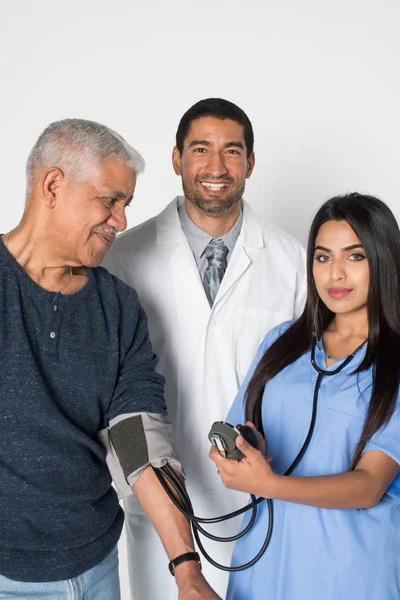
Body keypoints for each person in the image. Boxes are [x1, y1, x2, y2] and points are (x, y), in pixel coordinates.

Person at [0, 118, 220, 600]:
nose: (121, 221)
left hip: (97, 566)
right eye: (110, 200)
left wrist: (186, 569)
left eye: (126, 205)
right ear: (53, 185)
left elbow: (135, 441)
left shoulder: (116, 307)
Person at [103, 97, 306, 599]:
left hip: (261, 505)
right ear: (176, 159)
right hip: (158, 507)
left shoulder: (294, 262)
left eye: (232, 151)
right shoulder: (122, 259)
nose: (216, 168)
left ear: (250, 163)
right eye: (200, 149)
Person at [210, 192, 400, 600]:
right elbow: (246, 428)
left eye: (355, 256)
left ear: (384, 259)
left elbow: (369, 485)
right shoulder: (281, 344)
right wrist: (244, 451)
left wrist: (271, 483)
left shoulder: (395, 364)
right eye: (322, 257)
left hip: (349, 576)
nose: (335, 274)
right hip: (264, 568)